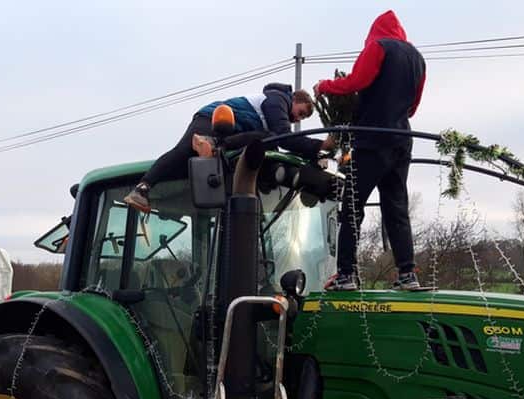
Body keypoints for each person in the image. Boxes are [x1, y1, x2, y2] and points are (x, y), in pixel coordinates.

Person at [316, 10, 426, 291]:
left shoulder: (378, 47)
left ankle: (346, 274)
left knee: (352, 206)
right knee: (396, 207)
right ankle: (407, 273)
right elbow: (414, 105)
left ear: (373, 33)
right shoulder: (417, 58)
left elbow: (357, 81)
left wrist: (324, 87)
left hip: (373, 138)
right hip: (402, 139)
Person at [124, 84, 333, 213]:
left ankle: (214, 145)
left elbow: (280, 142)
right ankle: (142, 188)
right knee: (182, 153)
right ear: (294, 99)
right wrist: (320, 145)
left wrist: (315, 156)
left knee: (266, 144)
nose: (298, 118)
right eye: (301, 112)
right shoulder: (277, 101)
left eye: (303, 117)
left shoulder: (272, 114)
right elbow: (286, 137)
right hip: (211, 119)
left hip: (230, 132)